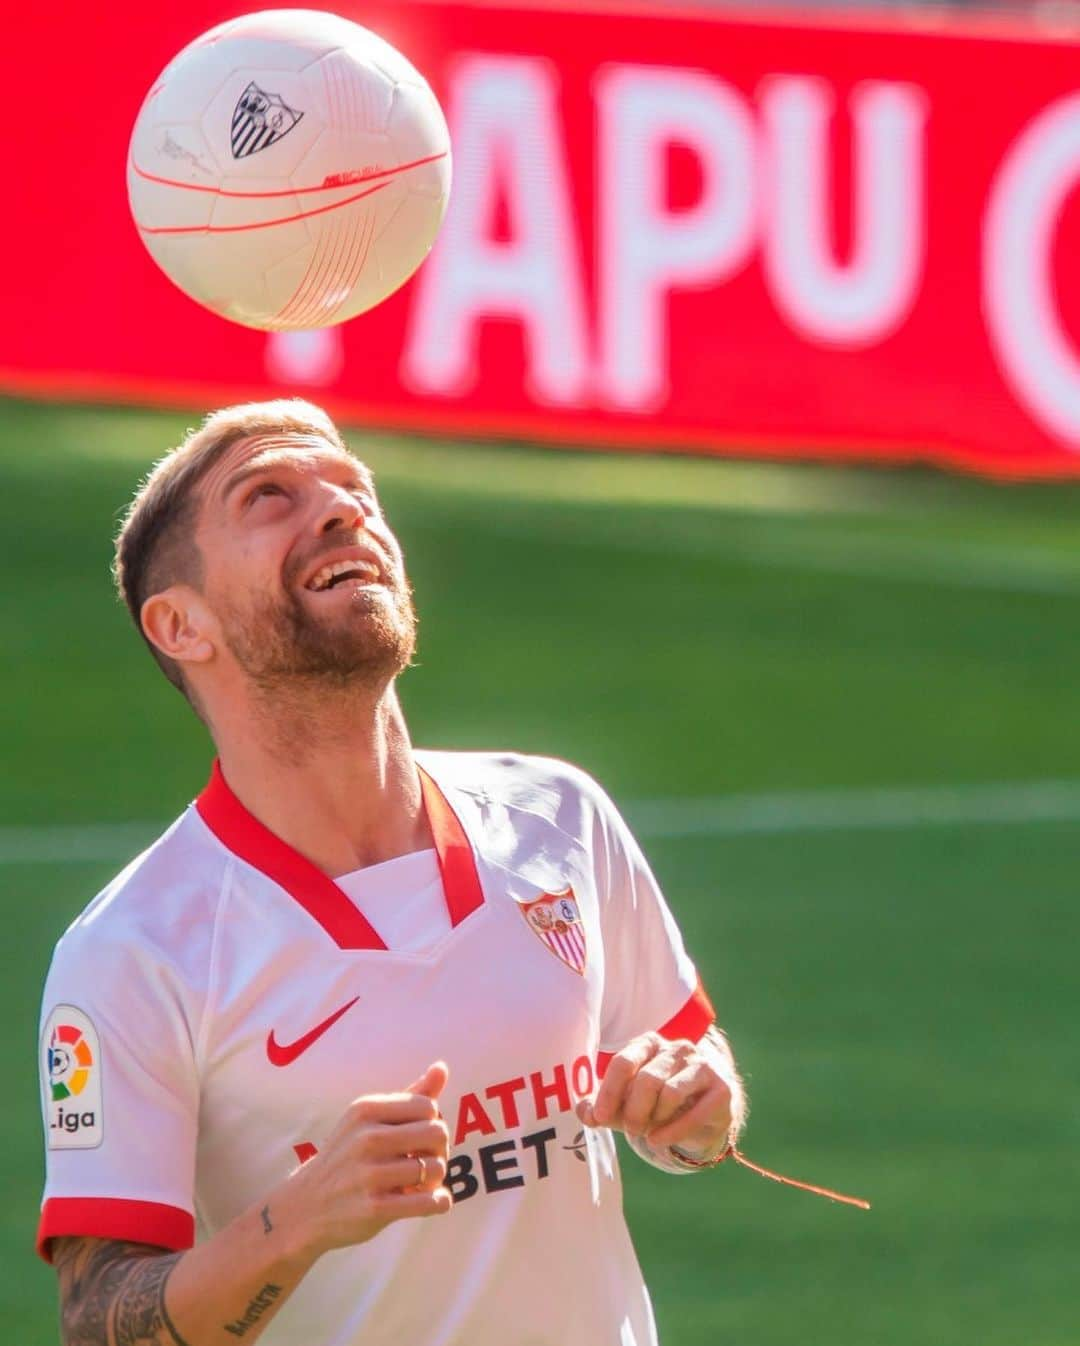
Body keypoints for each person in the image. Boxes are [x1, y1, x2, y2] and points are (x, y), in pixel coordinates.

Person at [37, 399, 745, 1346]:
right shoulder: (132, 953)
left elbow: (697, 1075)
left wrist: (698, 1110)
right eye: (270, 497)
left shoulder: (559, 814)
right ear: (181, 624)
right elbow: (97, 1325)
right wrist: (298, 1222)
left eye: (354, 489)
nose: (340, 510)